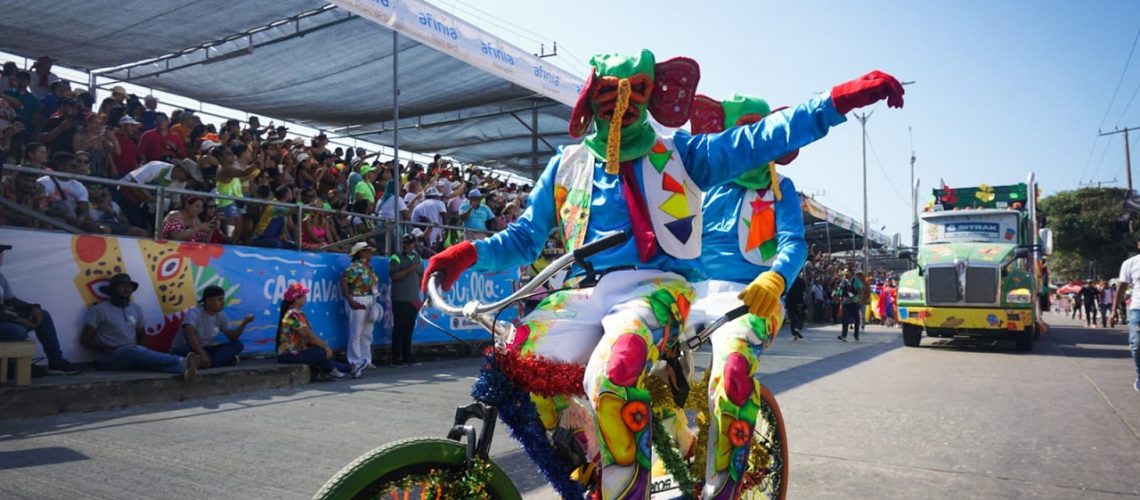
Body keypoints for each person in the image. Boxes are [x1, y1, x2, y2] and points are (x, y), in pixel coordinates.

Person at [423, 49, 904, 499]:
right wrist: (467, 253)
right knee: (515, 359)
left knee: (614, 376)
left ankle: (683, 485)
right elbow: (525, 237)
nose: (622, 104)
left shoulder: (683, 154)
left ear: (653, 93)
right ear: (591, 93)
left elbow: (763, 138)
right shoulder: (567, 164)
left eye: (635, 90)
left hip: (658, 291)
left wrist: (838, 100)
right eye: (610, 92)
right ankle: (598, 459)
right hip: (584, 292)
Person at [80, 273, 199, 380]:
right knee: (133, 351)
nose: (127, 288)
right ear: (112, 289)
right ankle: (181, 361)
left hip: (132, 354)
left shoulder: (135, 308)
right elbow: (85, 339)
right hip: (109, 358)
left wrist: (140, 348)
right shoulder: (99, 310)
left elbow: (142, 334)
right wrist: (107, 349)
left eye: (129, 286)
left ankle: (183, 369)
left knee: (147, 361)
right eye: (122, 286)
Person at [0, 244, 80, 374]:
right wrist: (16, 319)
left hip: (5, 318)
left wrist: (33, 307)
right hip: (5, 320)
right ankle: (12, 366)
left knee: (43, 315)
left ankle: (56, 362)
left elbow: (11, 300)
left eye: (1, 253)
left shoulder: (0, 277)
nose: (1, 256)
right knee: (18, 331)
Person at [276, 283, 350, 381]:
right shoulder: (292, 315)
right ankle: (342, 369)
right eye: (303, 296)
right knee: (321, 353)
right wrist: (325, 346)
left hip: (298, 351)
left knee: (322, 353)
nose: (305, 298)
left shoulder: (297, 313)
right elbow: (307, 334)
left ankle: (343, 369)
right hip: (289, 355)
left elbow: (308, 335)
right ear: (296, 299)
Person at [170, 285, 252, 368]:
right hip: (189, 347)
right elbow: (190, 336)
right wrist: (202, 354)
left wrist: (244, 323)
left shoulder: (221, 315)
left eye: (222, 299)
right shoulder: (194, 312)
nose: (222, 303)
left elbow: (233, 337)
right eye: (219, 300)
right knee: (183, 350)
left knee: (237, 345)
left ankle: (203, 362)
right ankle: (219, 361)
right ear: (209, 301)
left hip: (206, 348)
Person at [340, 242, 379, 377]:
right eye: (368, 251)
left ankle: (366, 360)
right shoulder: (353, 268)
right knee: (356, 332)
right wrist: (350, 300)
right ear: (361, 253)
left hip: (369, 299)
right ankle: (355, 361)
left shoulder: (369, 267)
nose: (370, 253)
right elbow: (343, 283)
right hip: (357, 299)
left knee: (367, 332)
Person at [1111, 237, 1140, 392]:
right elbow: (1121, 287)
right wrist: (1114, 310)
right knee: (1137, 344)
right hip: (1138, 309)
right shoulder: (1130, 263)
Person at [389, 234, 423, 367]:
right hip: (400, 298)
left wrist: (420, 295)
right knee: (399, 329)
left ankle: (407, 356)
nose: (407, 246)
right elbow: (394, 276)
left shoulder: (418, 258)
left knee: (409, 329)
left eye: (409, 243)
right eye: (405, 243)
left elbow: (420, 277)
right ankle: (396, 358)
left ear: (414, 244)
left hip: (413, 299)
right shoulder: (396, 257)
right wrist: (409, 269)